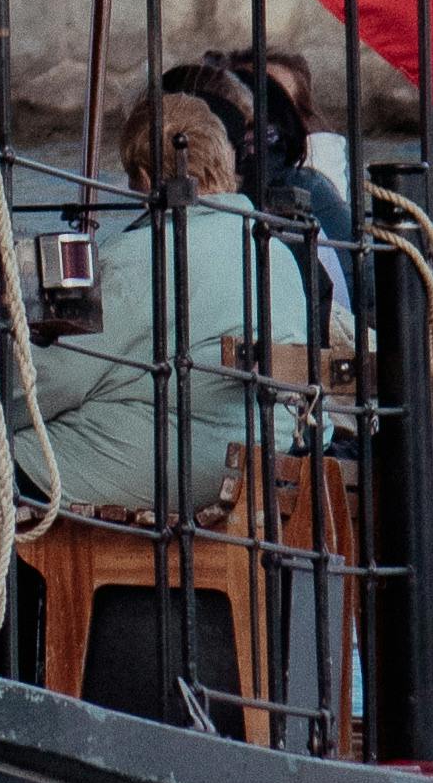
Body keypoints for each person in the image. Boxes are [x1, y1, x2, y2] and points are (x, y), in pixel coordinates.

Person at [18, 88, 258, 527]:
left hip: (154, 468)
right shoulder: (270, 249)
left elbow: (49, 380)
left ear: (145, 180)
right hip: (249, 466)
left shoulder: (139, 256)